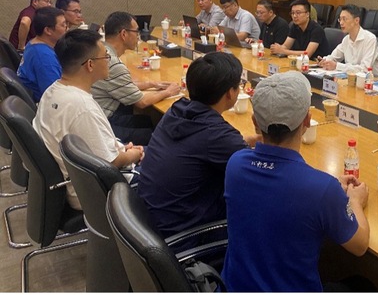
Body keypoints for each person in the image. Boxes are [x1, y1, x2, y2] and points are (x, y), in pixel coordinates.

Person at [222, 71, 370, 291]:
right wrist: (355, 201)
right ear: (307, 120)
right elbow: (360, 245)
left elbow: (283, 189)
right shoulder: (321, 190)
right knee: (362, 284)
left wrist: (327, 189)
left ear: (255, 123)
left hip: (233, 287)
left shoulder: (236, 163)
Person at [137, 51, 260, 241]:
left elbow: (208, 143)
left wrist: (250, 140)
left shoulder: (177, 111)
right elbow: (259, 177)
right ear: (230, 92)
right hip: (182, 237)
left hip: (151, 222)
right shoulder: (218, 135)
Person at [33, 29, 144, 211]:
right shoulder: (82, 107)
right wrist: (133, 154)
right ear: (90, 65)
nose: (108, 60)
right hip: (98, 191)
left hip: (82, 177)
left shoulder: (52, 91)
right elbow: (110, 163)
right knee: (170, 170)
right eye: (106, 56)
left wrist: (122, 148)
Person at [91, 12, 180, 145]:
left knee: (146, 120)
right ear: (124, 34)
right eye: (136, 31)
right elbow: (142, 102)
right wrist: (169, 92)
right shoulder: (112, 63)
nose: (138, 35)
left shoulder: (104, 52)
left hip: (100, 116)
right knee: (151, 135)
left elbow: (120, 85)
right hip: (103, 124)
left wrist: (151, 84)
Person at [17, 7, 66, 102]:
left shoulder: (34, 43)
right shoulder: (44, 57)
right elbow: (55, 96)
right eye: (63, 25)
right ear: (48, 30)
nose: (66, 28)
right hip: (44, 104)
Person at [318, 4, 378, 76]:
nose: (341, 23)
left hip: (372, 80)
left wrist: (337, 66)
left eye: (344, 19)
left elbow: (365, 69)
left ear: (356, 20)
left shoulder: (370, 39)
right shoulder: (346, 40)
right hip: (350, 78)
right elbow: (333, 57)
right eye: (340, 19)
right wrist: (325, 61)